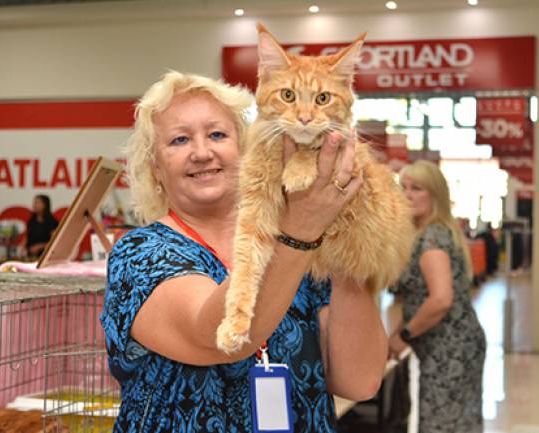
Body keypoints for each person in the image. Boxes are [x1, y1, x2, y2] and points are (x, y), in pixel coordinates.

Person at [99, 71, 388, 433]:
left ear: (248, 148)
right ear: (155, 168)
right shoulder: (139, 253)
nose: (202, 153)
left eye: (218, 134)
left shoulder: (306, 245)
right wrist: (301, 229)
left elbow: (359, 380)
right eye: (179, 140)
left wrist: (346, 231)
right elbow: (219, 341)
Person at [389, 160, 486, 433]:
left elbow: (441, 299)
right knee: (457, 421)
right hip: (454, 343)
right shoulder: (434, 232)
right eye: (403, 187)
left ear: (435, 195)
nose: (407, 195)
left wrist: (404, 335)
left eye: (417, 188)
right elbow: (416, 297)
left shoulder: (432, 237)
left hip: (450, 348)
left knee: (441, 423)